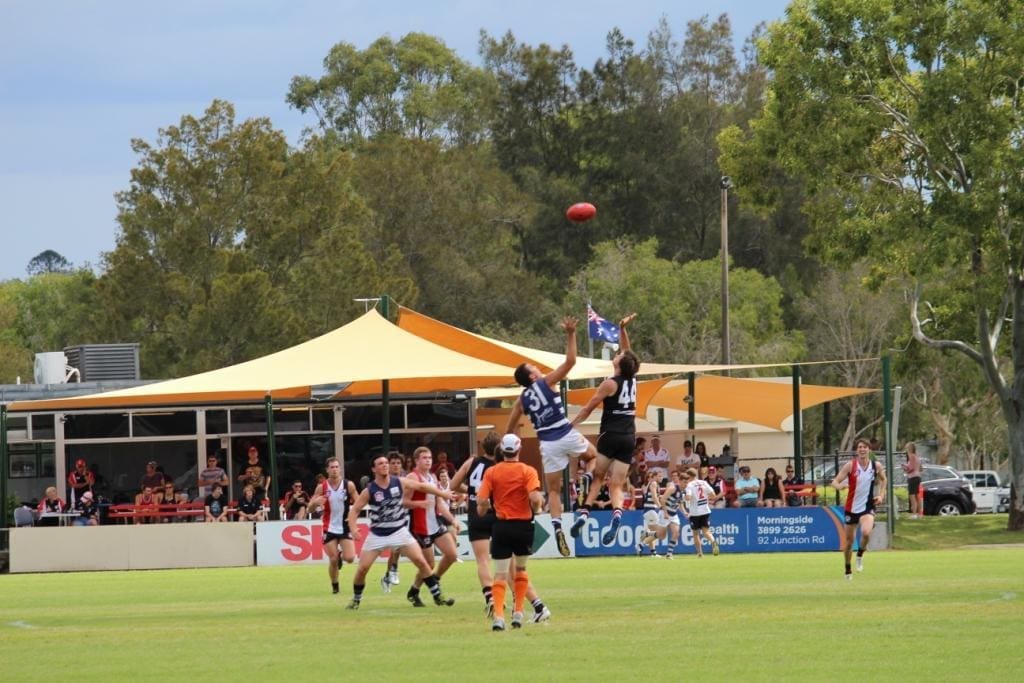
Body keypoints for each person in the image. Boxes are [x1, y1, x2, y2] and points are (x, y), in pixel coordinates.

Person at [506, 316, 597, 557]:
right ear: (533, 376)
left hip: (547, 443)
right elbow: (571, 361)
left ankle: (557, 527)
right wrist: (570, 334)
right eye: (533, 367)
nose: (537, 367)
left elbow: (512, 423)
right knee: (593, 456)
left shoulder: (522, 399)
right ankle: (586, 476)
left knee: (554, 491)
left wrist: (509, 439)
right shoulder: (547, 382)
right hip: (565, 432)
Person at [450, 431, 551, 622]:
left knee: (484, 561)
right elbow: (531, 496)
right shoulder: (505, 468)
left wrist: (473, 491)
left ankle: (491, 598)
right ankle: (532, 605)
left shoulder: (473, 463)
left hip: (478, 513)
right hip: (499, 515)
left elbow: (454, 485)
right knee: (515, 569)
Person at [344, 454, 455, 610]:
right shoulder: (370, 490)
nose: (384, 465)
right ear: (373, 469)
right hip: (377, 535)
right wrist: (353, 528)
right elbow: (355, 510)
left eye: (385, 463)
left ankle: (437, 596)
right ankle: (356, 599)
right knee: (362, 569)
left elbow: (421, 487)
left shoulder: (399, 482)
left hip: (399, 532)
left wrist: (442, 494)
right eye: (380, 463)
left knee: (422, 562)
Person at [570, 313, 639, 545]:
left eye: (618, 356)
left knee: (598, 476)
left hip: (610, 435)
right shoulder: (633, 379)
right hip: (629, 437)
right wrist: (622, 329)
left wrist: (571, 426)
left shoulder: (610, 383)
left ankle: (585, 512)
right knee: (616, 484)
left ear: (619, 365)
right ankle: (617, 514)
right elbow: (629, 353)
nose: (618, 355)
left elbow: (589, 407)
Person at [477, 433, 546, 631]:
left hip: (502, 526)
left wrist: (483, 511)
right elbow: (534, 497)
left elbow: (482, 502)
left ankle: (499, 616)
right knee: (521, 571)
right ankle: (518, 612)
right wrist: (538, 509)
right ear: (519, 448)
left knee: (499, 573)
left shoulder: (492, 472)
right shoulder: (528, 471)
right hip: (523, 526)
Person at [402, 447, 461, 607]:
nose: (428, 460)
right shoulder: (412, 477)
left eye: (429, 457)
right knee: (429, 564)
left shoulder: (433, 477)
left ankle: (433, 581)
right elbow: (404, 502)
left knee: (451, 554)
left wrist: (452, 520)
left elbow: (439, 503)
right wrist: (419, 503)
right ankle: (418, 591)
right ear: (416, 461)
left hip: (435, 523)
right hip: (420, 526)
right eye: (424, 458)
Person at [830, 438, 886, 580]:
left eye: (865, 447)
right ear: (857, 450)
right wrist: (841, 486)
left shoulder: (876, 465)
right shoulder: (850, 466)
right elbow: (834, 482)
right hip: (851, 508)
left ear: (869, 450)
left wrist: (880, 495)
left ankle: (860, 555)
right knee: (849, 542)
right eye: (860, 447)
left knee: (866, 532)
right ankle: (848, 569)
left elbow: (884, 480)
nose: (862, 449)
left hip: (867, 506)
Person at [307, 457, 358, 595]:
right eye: (332, 467)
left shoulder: (349, 485)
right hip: (328, 527)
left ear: (340, 469)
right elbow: (309, 510)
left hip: (344, 526)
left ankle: (342, 555)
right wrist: (315, 503)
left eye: (336, 467)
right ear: (327, 470)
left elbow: (358, 504)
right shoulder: (322, 487)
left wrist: (353, 519)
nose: (334, 470)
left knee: (350, 558)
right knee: (333, 559)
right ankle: (335, 586)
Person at [682, 467, 720, 557]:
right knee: (706, 531)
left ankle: (700, 553)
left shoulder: (689, 485)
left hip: (695, 512)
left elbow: (689, 497)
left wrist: (683, 497)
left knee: (695, 533)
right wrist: (704, 499)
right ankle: (713, 541)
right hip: (705, 510)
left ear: (689, 476)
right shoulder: (704, 482)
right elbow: (713, 495)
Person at [383, 452, 407, 587]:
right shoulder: (385, 481)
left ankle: (388, 574)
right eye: (393, 463)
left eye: (398, 463)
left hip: (407, 516)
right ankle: (393, 570)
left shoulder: (405, 479)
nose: (396, 466)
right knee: (396, 548)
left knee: (397, 549)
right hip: (390, 519)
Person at [635, 469, 663, 556]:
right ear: (654, 477)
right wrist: (660, 507)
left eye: (661, 476)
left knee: (652, 532)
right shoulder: (654, 483)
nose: (661, 478)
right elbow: (654, 497)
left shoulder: (655, 484)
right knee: (660, 532)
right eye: (659, 476)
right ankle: (640, 544)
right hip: (651, 510)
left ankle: (653, 552)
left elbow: (656, 497)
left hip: (648, 510)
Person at [902, 442, 922, 518]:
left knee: (912, 496)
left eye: (907, 448)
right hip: (918, 477)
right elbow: (920, 468)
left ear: (910, 449)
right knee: (917, 495)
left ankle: (914, 514)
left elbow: (911, 468)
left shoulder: (912, 457)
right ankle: (919, 513)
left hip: (913, 477)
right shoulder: (917, 457)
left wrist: (905, 468)